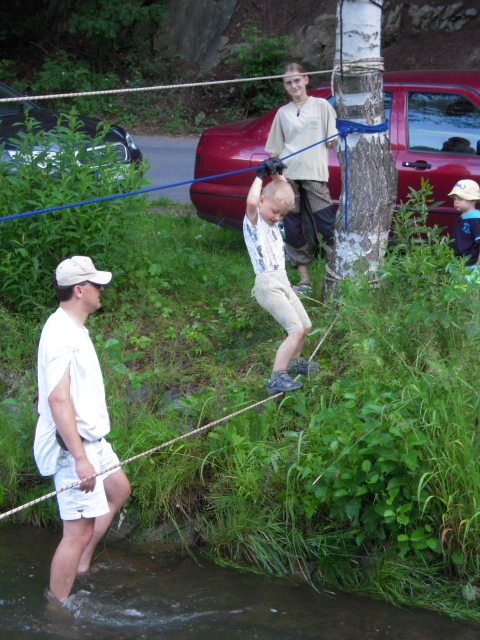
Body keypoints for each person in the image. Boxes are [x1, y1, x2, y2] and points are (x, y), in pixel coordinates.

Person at [34, 256, 131, 603]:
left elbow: (52, 390)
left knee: (118, 490)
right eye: (96, 284)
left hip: (92, 439)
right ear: (79, 290)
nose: (101, 289)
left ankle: (82, 565)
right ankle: (57, 607)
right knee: (76, 532)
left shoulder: (70, 327)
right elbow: (58, 399)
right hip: (72, 447)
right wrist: (79, 459)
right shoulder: (61, 334)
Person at [244, 158, 320, 395]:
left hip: (283, 282)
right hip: (267, 285)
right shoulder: (255, 221)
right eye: (275, 212)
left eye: (282, 214)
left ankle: (295, 362)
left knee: (305, 326)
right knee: (294, 330)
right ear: (262, 201)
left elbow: (283, 194)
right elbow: (252, 201)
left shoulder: (273, 222)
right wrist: (260, 175)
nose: (277, 217)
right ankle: (277, 376)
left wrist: (276, 173)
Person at [265, 62, 338, 295]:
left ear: (306, 79)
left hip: (315, 175)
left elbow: (334, 141)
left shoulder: (322, 105)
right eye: (288, 82)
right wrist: (278, 178)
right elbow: (274, 151)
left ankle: (335, 275)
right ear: (284, 86)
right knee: (293, 226)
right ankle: (304, 280)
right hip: (289, 177)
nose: (293, 85)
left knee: (326, 224)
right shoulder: (283, 113)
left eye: (297, 80)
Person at [449, 179, 480, 277]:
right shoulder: (463, 216)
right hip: (457, 260)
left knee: (467, 283)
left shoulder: (475, 219)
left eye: (460, 199)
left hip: (470, 262)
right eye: (455, 199)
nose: (456, 202)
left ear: (472, 200)